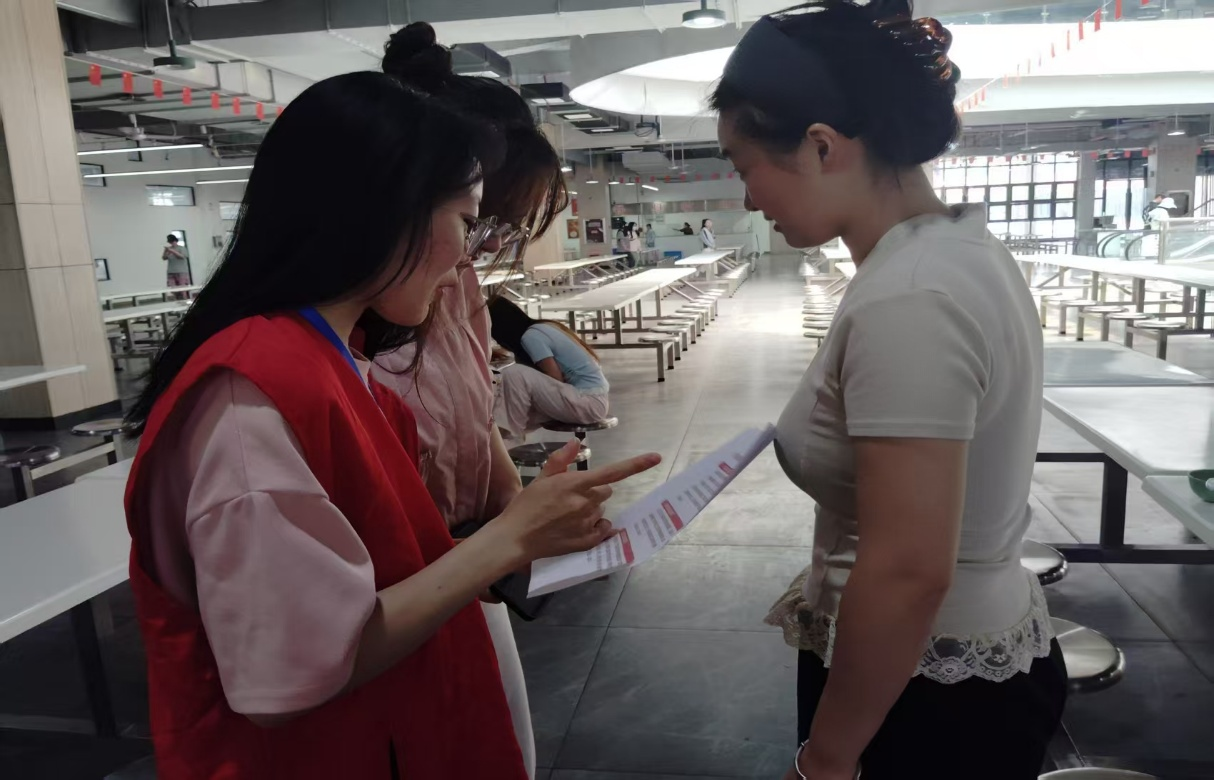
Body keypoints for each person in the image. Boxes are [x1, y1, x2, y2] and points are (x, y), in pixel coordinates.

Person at [122, 70, 659, 779]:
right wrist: (504, 541)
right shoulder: (249, 396)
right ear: (389, 210)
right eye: (466, 220)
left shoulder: (323, 359)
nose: (467, 259)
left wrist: (517, 528)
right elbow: (289, 670)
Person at [711, 3, 1065, 779]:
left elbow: (908, 568)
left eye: (743, 167)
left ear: (822, 146)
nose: (747, 200)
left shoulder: (912, 294)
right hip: (933, 671)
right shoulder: (955, 253)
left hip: (926, 700)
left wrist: (829, 757)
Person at [371, 22, 570, 778]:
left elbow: (475, 413)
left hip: (466, 572)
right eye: (478, 221)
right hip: (400, 594)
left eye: (499, 230)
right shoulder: (322, 345)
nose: (481, 250)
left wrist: (519, 511)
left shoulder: (457, 290)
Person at [489, 297, 610, 439]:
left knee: (513, 374)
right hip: (593, 401)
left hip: (588, 403)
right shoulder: (542, 327)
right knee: (509, 406)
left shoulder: (531, 337)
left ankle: (511, 437)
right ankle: (505, 438)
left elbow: (555, 378)